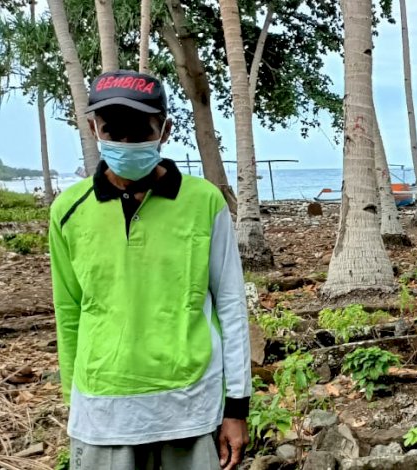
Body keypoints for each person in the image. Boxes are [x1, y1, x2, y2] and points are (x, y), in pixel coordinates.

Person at [48, 70, 251, 470]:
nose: (125, 143)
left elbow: (230, 305)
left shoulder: (204, 203)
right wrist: (75, 401)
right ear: (93, 128)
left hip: (190, 408)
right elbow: (68, 310)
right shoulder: (67, 210)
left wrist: (237, 406)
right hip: (104, 412)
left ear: (165, 130)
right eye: (113, 129)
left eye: (140, 129)